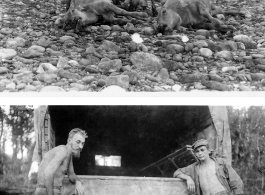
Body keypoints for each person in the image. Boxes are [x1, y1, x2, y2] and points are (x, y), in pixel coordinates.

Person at [173, 139, 244, 195]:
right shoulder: (194, 167)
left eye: (202, 150)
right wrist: (188, 178)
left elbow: (236, 182)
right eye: (197, 151)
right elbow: (177, 172)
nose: (200, 153)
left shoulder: (220, 163)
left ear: (209, 151)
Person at [35, 128, 87, 195]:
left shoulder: (69, 155)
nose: (81, 146)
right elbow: (48, 173)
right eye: (78, 142)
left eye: (82, 143)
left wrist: (78, 182)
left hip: (56, 190)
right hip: (44, 191)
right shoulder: (62, 151)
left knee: (82, 189)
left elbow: (71, 175)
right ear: (69, 140)